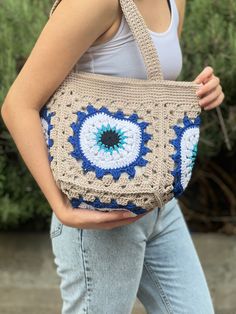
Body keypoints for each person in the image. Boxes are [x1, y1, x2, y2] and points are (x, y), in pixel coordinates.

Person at [1, 0, 224, 313]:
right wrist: (61, 207)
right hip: (97, 211)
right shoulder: (93, 3)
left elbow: (152, 92)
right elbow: (18, 105)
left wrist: (202, 91)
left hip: (159, 205)